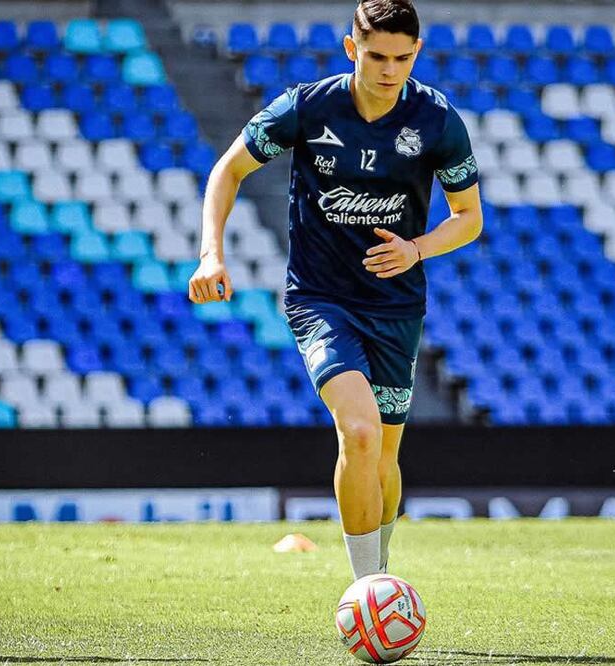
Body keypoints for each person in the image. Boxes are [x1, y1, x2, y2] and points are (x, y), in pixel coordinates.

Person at [188, 0, 482, 581]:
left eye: (402, 57)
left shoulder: (437, 121)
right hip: (320, 300)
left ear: (417, 53)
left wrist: (416, 248)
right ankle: (368, 590)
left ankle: (380, 568)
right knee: (361, 431)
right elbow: (228, 170)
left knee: (387, 456)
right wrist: (210, 253)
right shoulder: (307, 106)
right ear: (352, 49)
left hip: (397, 304)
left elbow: (469, 217)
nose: (389, 69)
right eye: (376, 55)